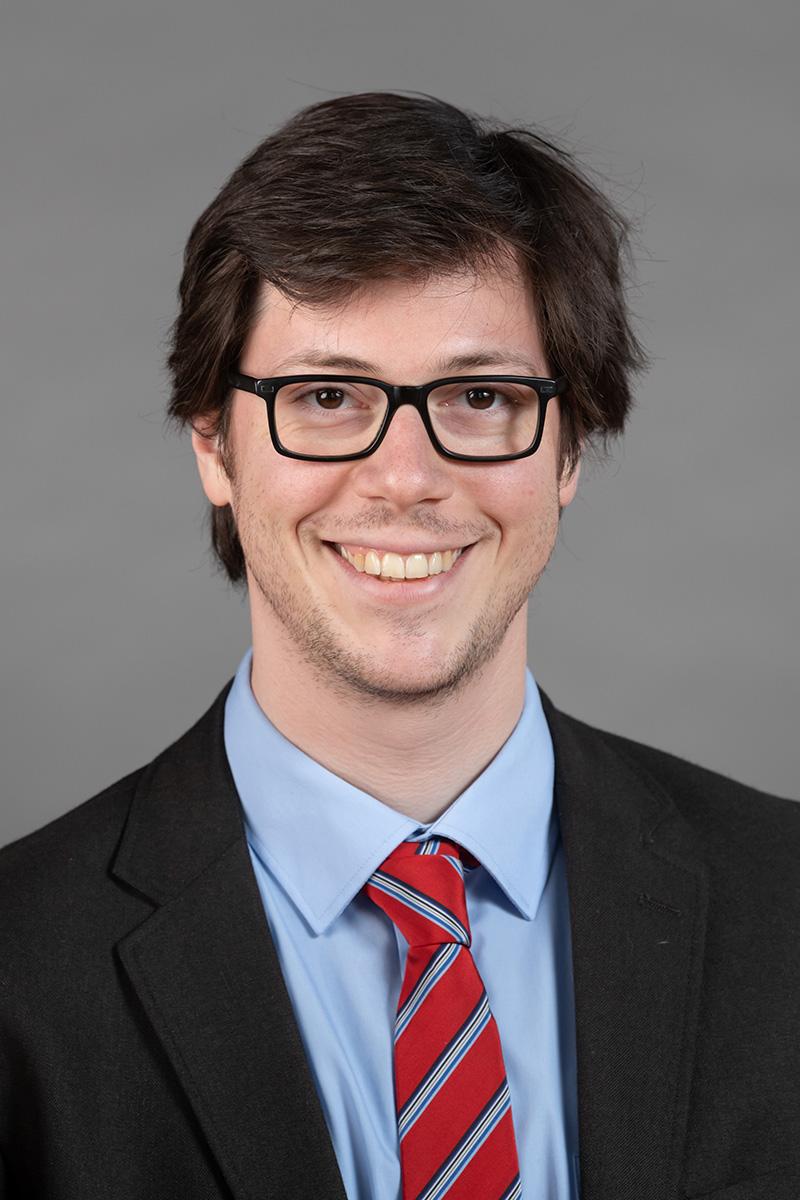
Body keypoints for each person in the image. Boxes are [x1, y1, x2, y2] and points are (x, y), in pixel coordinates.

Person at [1, 92, 798, 1200]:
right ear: (212, 447)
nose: (404, 475)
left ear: (566, 453)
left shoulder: (783, 906)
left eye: (478, 396)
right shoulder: (20, 968)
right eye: (326, 395)